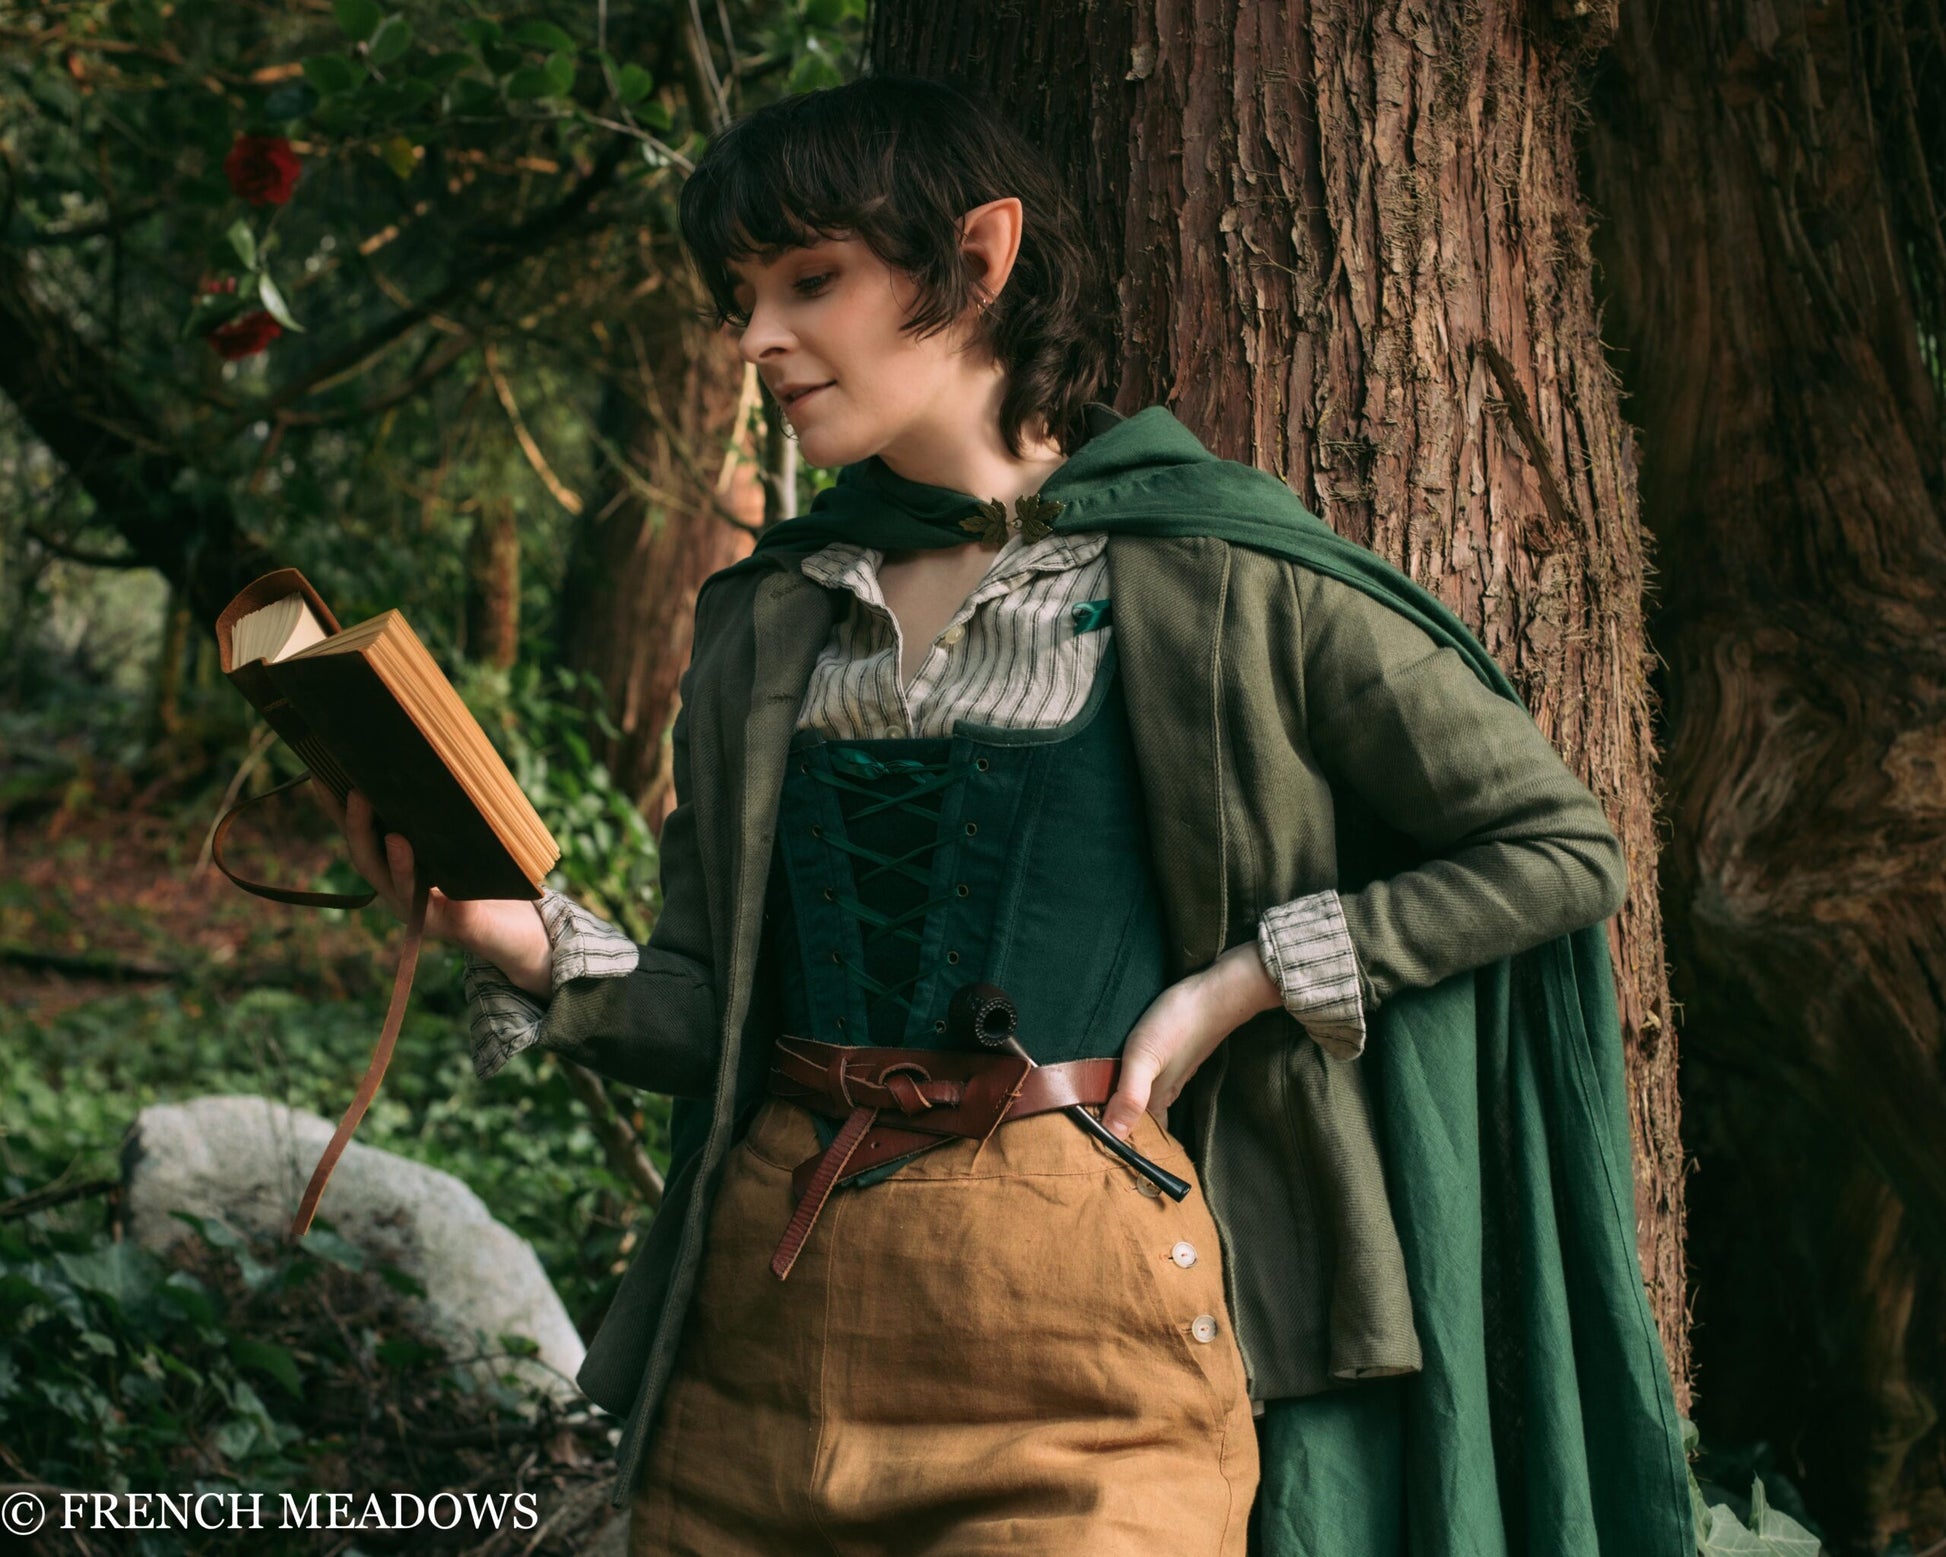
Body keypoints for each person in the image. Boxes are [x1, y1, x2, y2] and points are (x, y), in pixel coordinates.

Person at [314, 74, 1692, 1557]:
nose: (759, 337)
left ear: (978, 260)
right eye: (740, 295)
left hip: (1086, 1340)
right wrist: (521, 942)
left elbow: (1556, 848)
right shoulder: (772, 619)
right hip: (766, 1339)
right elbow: (712, 1008)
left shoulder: (1219, 575)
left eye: (809, 279)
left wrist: (1235, 987)